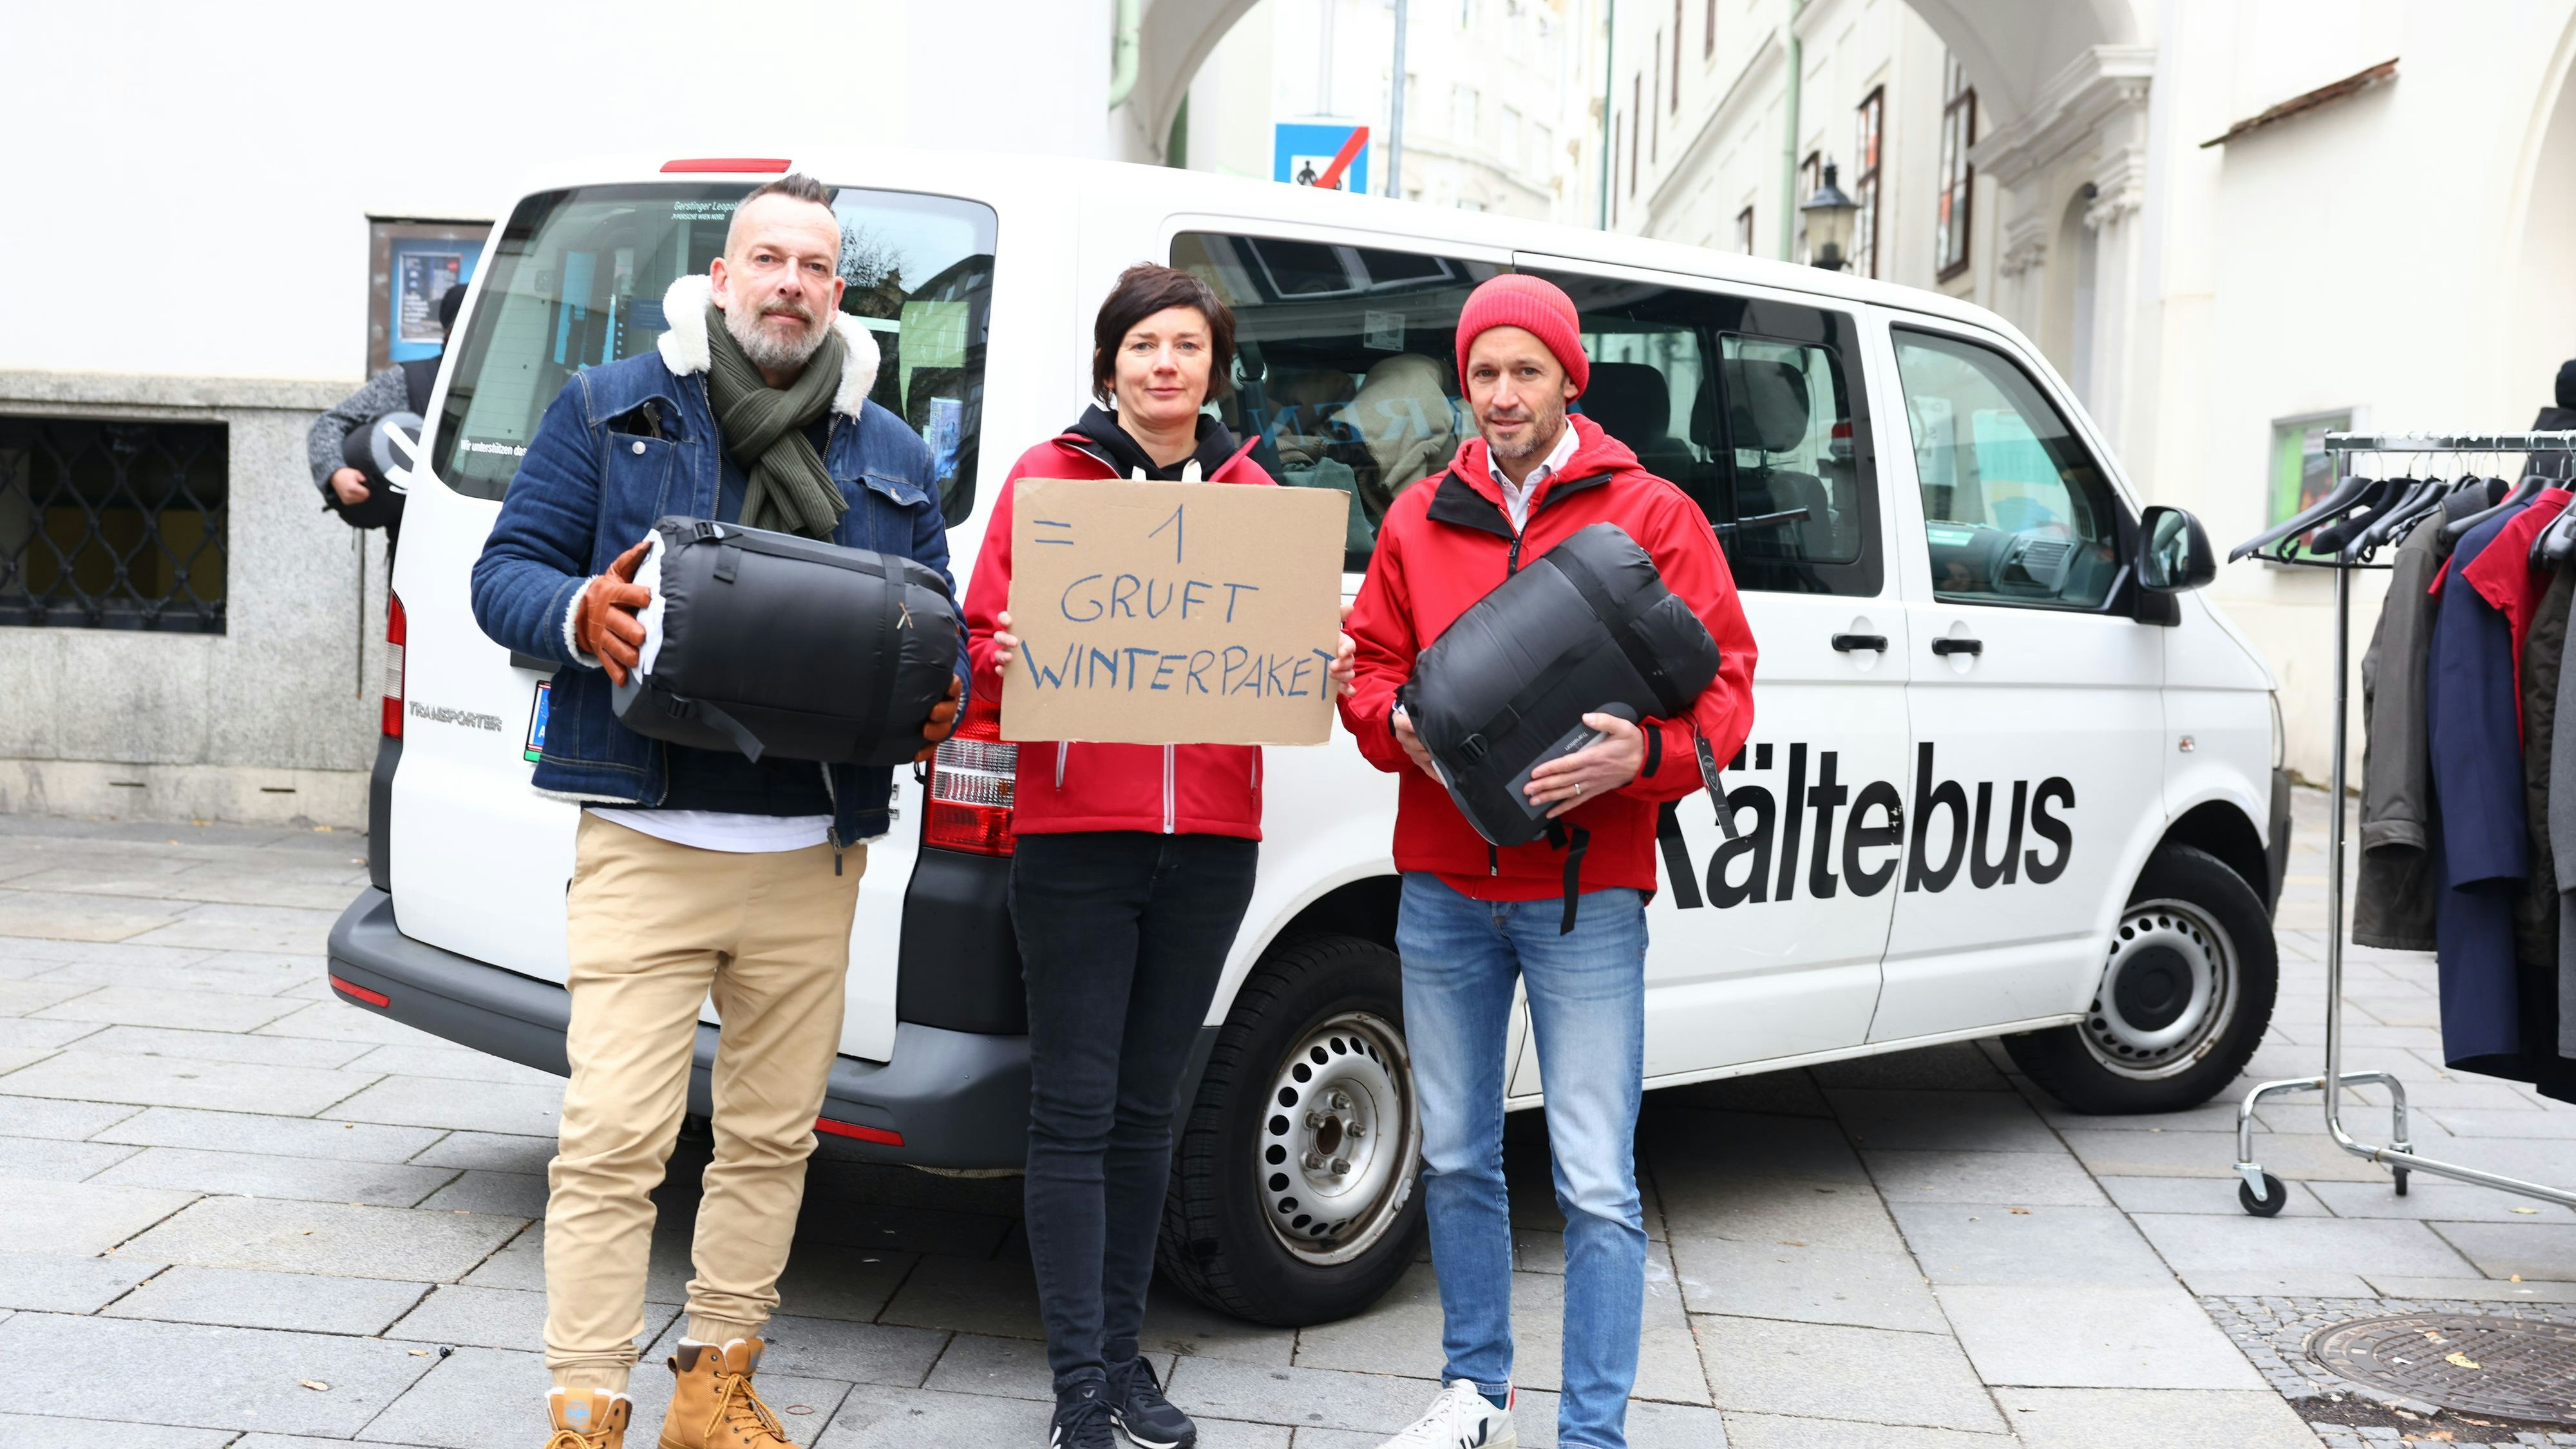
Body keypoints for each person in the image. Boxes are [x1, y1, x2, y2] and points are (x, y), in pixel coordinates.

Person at [469, 174, 965, 1449]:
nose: (789, 283)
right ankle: (584, 1407)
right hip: (645, 835)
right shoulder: (612, 407)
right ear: (725, 274)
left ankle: (713, 1387)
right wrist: (579, 616)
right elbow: (504, 574)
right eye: (767, 259)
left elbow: (932, 631)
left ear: (838, 294)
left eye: (812, 265)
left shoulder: (895, 454)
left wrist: (941, 696)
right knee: (611, 1141)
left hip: (810, 854)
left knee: (768, 1144)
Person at [1338, 274, 1756, 1449]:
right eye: (1483, 374)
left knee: (1596, 1179)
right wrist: (1392, 724)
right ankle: (1476, 1393)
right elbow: (1370, 668)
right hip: (1442, 889)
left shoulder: (1651, 511)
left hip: (1587, 899)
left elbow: (1729, 688)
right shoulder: (1420, 516)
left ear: (1570, 378)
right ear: (1463, 385)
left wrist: (1649, 755)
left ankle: (1592, 1433)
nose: (1504, 394)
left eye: (1527, 371)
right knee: (1460, 1153)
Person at [963, 263, 1354, 1449]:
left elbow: (1292, 667)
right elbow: (974, 650)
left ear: (1213, 368)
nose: (1165, 365)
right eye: (1144, 345)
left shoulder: (1256, 495)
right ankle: (1079, 1384)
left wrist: (1320, 666)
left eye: (1186, 345)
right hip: (1080, 840)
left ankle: (1125, 1358)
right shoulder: (1047, 481)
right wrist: (1004, 653)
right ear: (1111, 363)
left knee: (1148, 1114)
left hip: (1211, 848)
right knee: (1073, 1112)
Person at [307, 282, 466, 532]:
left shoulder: (528, 385)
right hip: (419, 544)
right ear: (449, 330)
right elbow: (331, 423)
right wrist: (336, 473)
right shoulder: (410, 379)